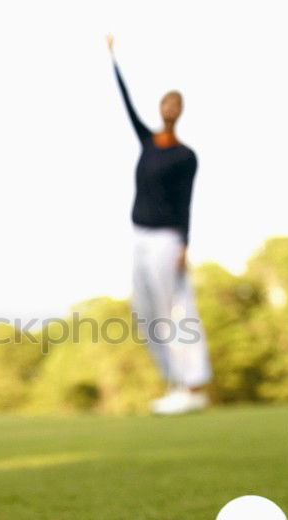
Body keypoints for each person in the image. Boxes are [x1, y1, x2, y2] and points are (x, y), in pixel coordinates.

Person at [106, 34, 212, 415]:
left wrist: (186, 243)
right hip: (139, 236)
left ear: (180, 111)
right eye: (166, 101)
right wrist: (112, 58)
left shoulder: (186, 156)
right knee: (144, 313)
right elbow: (126, 103)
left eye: (176, 103)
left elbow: (187, 200)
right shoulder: (148, 143)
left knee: (176, 309)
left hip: (169, 238)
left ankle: (193, 384)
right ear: (160, 107)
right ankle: (174, 382)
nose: (169, 107)